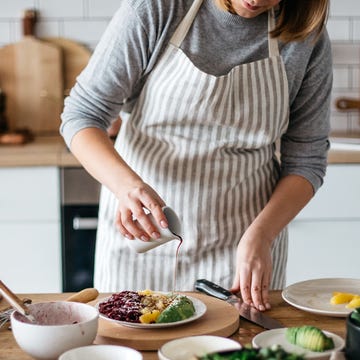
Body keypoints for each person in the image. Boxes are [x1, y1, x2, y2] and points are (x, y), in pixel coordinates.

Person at [60, 0, 332, 311]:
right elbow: (82, 115)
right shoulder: (156, 9)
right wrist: (125, 186)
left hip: (243, 244)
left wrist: (263, 235)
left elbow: (307, 160)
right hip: (146, 235)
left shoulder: (304, 37)